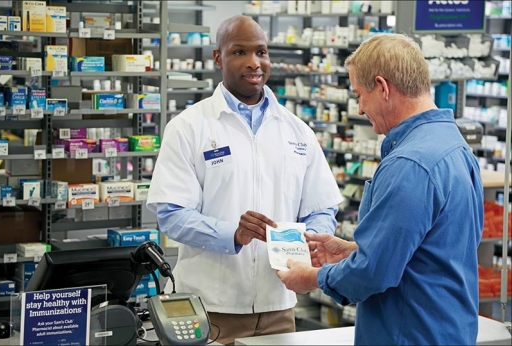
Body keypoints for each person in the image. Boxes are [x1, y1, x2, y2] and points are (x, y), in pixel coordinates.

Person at [146, 15, 343, 345]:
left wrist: (311, 237)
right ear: (218, 57)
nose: (254, 63)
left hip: (279, 307)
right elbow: (171, 214)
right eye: (240, 52)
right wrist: (231, 234)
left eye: (261, 52)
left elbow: (322, 209)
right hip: (208, 308)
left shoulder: (298, 132)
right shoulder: (189, 128)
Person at [277, 33, 484, 345]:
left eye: (360, 94)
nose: (360, 108)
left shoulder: (410, 164)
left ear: (383, 87)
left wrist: (310, 277)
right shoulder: (454, 146)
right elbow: (433, 249)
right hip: (448, 330)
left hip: (410, 334)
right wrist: (356, 249)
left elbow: (372, 273)